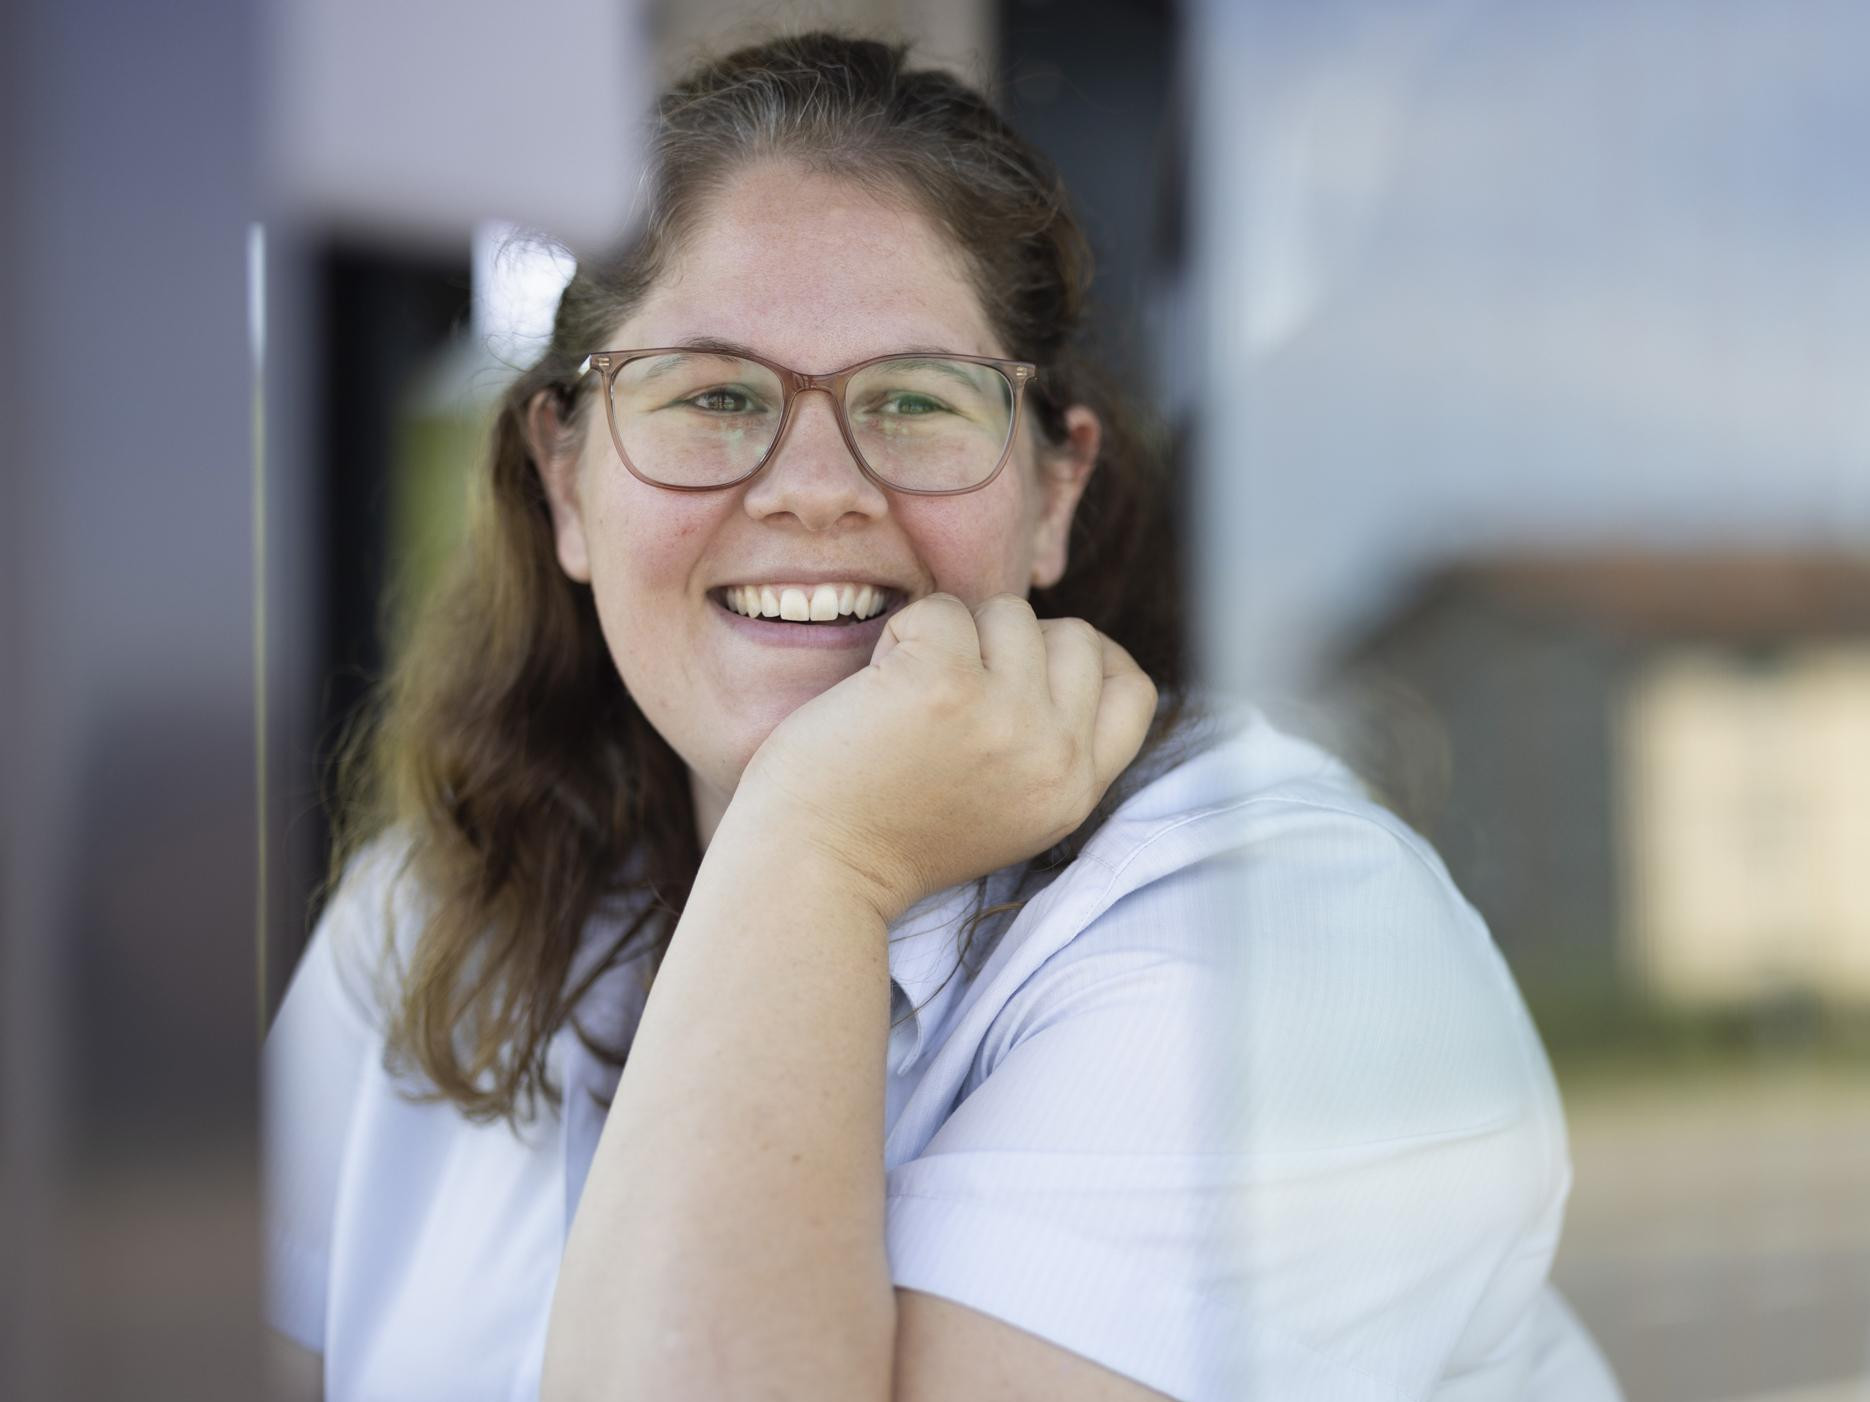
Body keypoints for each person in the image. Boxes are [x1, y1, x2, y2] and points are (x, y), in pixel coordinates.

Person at [263, 31, 1622, 1402]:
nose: (811, 486)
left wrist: (815, 847)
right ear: (566, 482)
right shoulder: (428, 923)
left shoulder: (1287, 945)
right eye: (713, 395)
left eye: (912, 400)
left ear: (1049, 494)